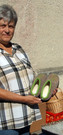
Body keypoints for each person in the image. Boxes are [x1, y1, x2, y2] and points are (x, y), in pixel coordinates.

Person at [0, 4, 43, 135]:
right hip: (6, 122)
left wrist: (48, 87)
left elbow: (31, 77)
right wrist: (24, 99)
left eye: (11, 26)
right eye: (2, 25)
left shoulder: (19, 50)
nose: (7, 30)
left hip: (26, 117)